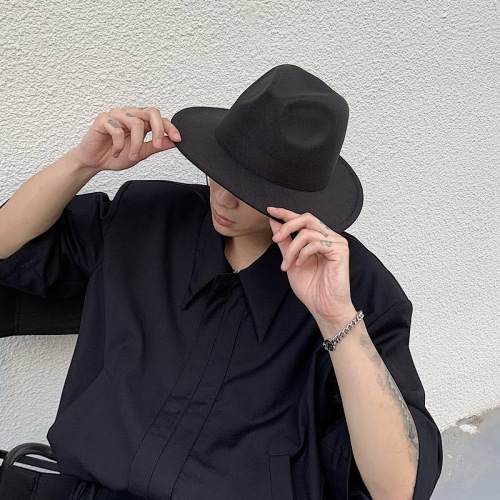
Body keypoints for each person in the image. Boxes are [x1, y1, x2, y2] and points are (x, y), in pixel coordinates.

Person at [0, 64, 442, 499]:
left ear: (300, 197)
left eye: (251, 190)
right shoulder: (149, 218)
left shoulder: (354, 286)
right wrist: (81, 164)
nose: (225, 197)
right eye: (221, 171)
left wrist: (336, 319)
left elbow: (397, 489)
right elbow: (9, 247)